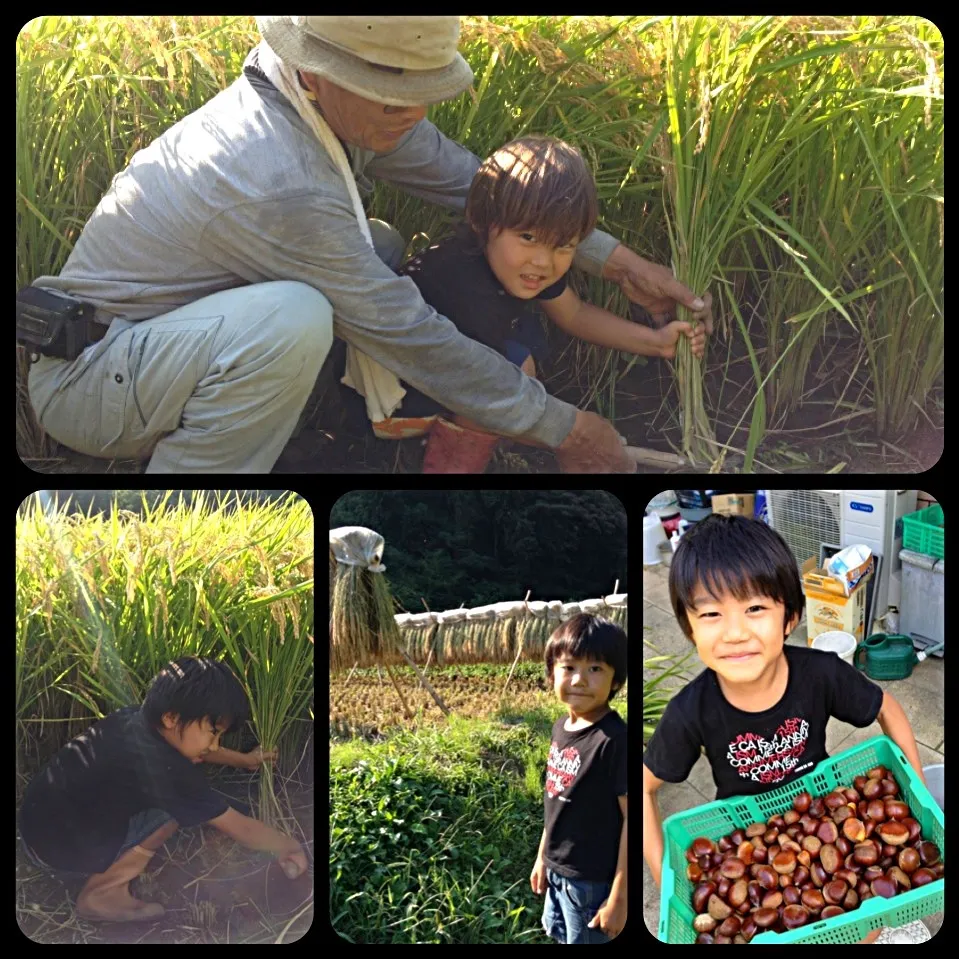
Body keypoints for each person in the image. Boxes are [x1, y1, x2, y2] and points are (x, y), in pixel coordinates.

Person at [22, 16, 713, 474]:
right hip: (91, 379)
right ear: (317, 72)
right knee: (293, 317)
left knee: (373, 244)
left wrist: (620, 262)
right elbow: (408, 333)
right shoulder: (280, 178)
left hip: (157, 353)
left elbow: (483, 187)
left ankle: (288, 428)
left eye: (420, 90)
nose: (411, 111)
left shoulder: (322, 100)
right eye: (390, 95)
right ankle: (194, 490)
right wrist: (565, 427)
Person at [642, 513, 930, 945]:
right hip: (741, 830)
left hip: (823, 807)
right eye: (711, 613)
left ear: (790, 616)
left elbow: (888, 708)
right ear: (688, 626)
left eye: (755, 608)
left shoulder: (822, 674)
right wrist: (669, 887)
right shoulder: (690, 712)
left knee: (867, 925)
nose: (735, 632)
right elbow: (643, 787)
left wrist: (918, 796)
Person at [392, 134, 709, 471]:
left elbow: (573, 313)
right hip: (396, 396)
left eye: (565, 246)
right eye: (528, 238)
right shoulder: (464, 286)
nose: (544, 262)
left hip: (453, 366)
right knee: (518, 371)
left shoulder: (522, 264)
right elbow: (489, 389)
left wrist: (657, 343)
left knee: (522, 360)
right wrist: (575, 436)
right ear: (482, 221)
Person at [18, 657, 305, 922]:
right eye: (213, 731)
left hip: (35, 832)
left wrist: (245, 761)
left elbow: (200, 750)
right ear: (171, 718)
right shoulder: (170, 774)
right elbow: (240, 828)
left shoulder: (135, 718)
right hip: (59, 855)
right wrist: (288, 846)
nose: (216, 743)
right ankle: (102, 894)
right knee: (168, 817)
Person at [531, 614, 628, 943]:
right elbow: (555, 798)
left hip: (591, 883)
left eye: (595, 669)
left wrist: (619, 895)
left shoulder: (614, 741)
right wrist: (543, 858)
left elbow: (632, 819)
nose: (579, 680)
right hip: (558, 872)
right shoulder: (561, 727)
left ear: (616, 681)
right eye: (569, 667)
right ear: (551, 674)